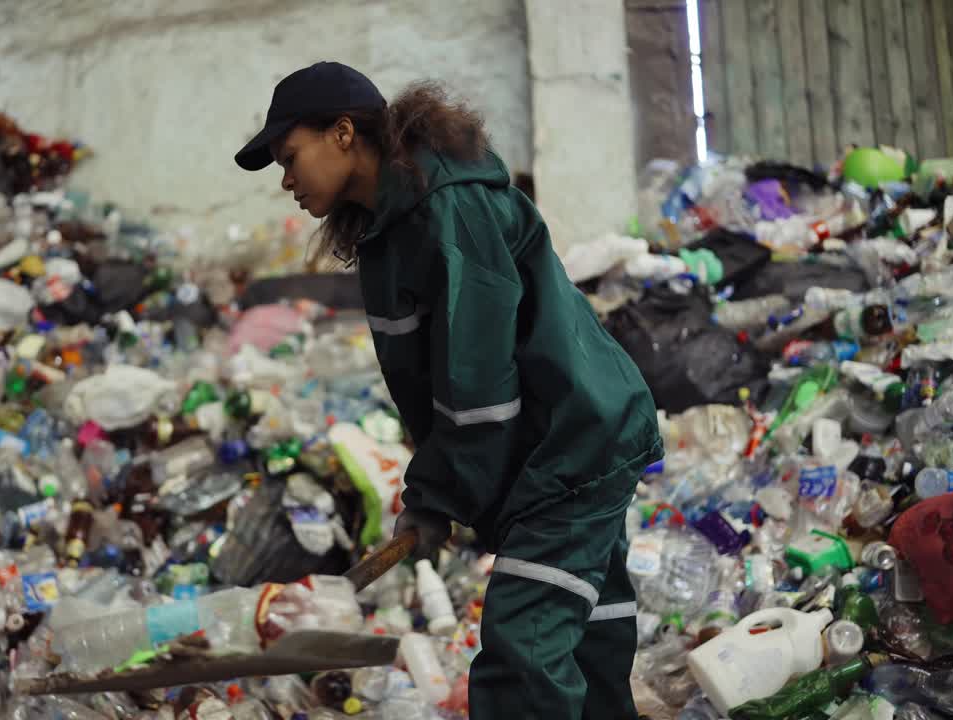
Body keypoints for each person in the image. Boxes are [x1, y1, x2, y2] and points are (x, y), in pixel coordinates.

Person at [235, 62, 663, 720]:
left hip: (572, 442)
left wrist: (440, 495)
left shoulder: (449, 208)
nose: (286, 182)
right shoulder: (384, 235)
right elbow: (437, 385)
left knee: (523, 656)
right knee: (587, 636)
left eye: (290, 158)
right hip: (551, 444)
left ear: (344, 133)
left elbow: (477, 381)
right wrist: (434, 500)